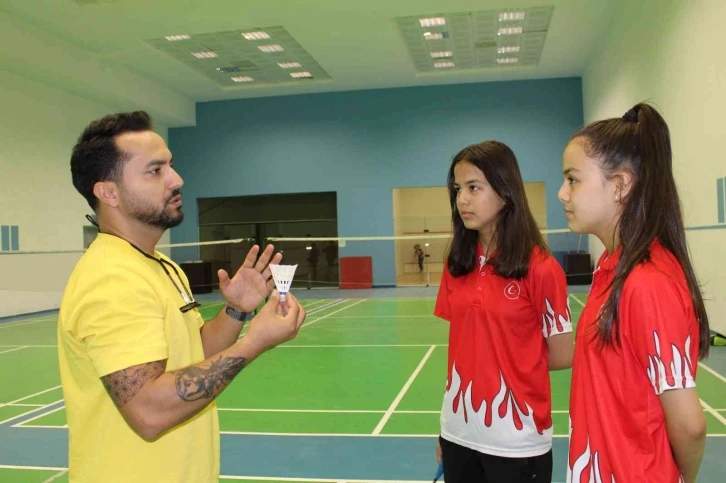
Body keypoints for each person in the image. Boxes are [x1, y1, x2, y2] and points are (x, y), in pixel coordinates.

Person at [58, 111, 306, 483]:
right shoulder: (112, 279)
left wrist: (237, 311)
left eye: (170, 165)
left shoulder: (160, 265)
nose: (177, 179)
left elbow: (191, 354)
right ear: (108, 192)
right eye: (155, 171)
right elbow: (148, 412)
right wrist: (255, 342)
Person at [559, 102, 710, 483]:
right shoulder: (611, 269)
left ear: (620, 185)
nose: (562, 193)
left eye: (573, 179)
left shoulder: (647, 282)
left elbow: (690, 426)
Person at [434, 140, 574, 482]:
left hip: (517, 441)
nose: (462, 199)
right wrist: (447, 430)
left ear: (506, 191)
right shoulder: (456, 263)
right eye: (458, 189)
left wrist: (510, 363)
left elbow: (561, 355)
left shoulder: (541, 269)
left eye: (473, 187)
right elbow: (463, 350)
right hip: (458, 433)